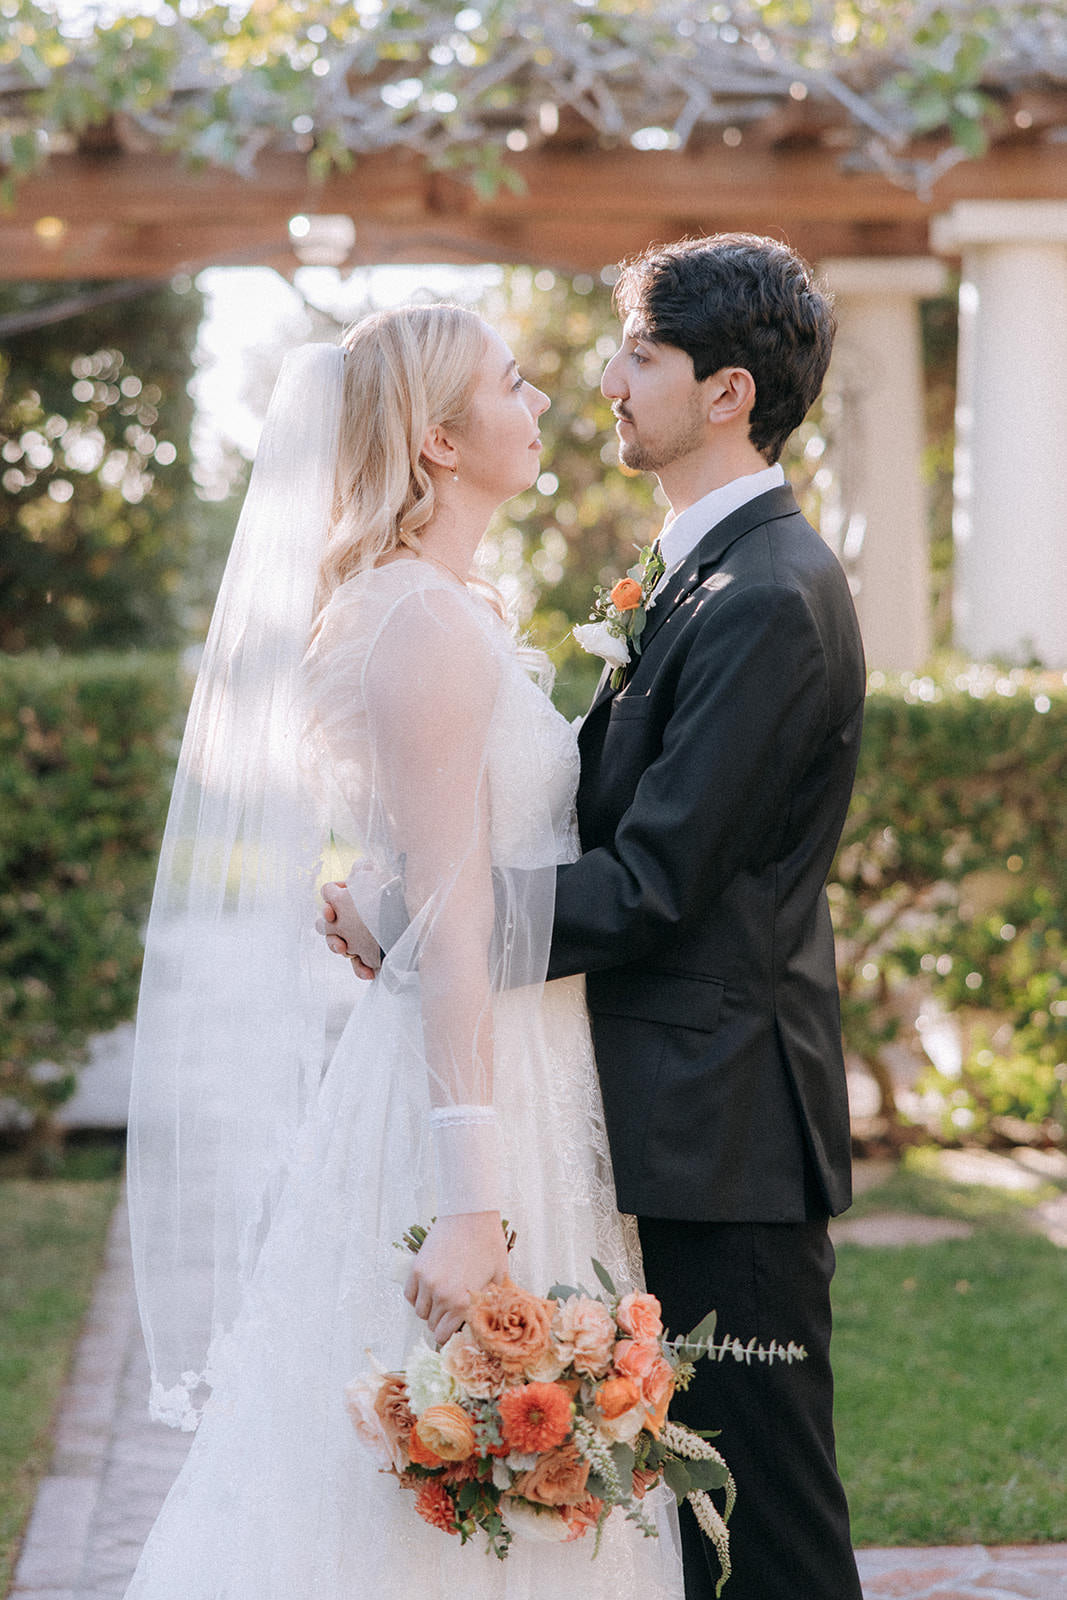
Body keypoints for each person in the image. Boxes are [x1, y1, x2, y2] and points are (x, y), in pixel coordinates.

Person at [324, 234, 867, 1600]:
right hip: (652, 1114)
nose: (604, 381)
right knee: (677, 1530)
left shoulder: (768, 599)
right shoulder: (693, 577)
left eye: (640, 354)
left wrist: (418, 914)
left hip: (725, 1129)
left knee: (766, 1523)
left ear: (727, 391)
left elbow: (654, 885)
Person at [123, 305, 683, 1599]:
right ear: (437, 437)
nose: (546, 399)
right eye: (513, 383)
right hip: (469, 1112)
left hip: (508, 1066)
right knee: (451, 1469)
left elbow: (433, 876)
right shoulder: (424, 624)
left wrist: (375, 896)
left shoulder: (438, 608)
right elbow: (462, 924)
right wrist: (474, 1208)